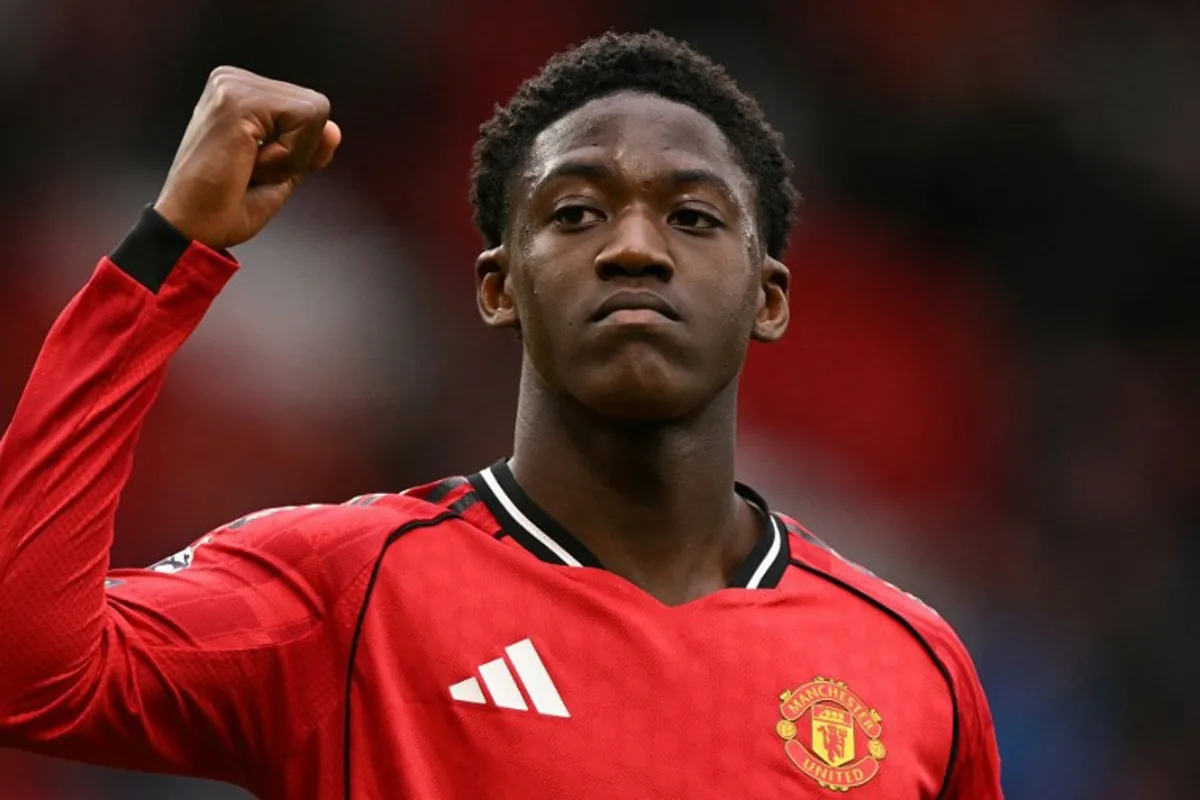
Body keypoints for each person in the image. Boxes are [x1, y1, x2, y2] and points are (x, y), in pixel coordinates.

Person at [0, 31, 1002, 799]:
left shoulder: (909, 664)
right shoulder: (351, 593)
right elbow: (23, 665)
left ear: (769, 295)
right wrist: (173, 247)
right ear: (499, 285)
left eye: (693, 217)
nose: (636, 249)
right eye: (576, 213)